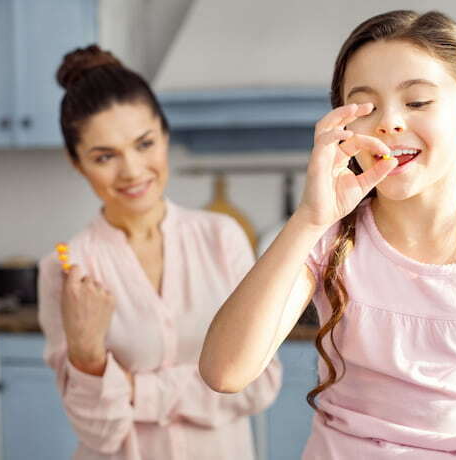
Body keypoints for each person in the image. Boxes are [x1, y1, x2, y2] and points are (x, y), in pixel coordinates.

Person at [200, 10, 456, 459]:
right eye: (366, 107)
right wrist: (310, 216)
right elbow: (224, 373)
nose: (389, 122)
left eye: (417, 102)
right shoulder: (325, 240)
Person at [38, 45, 281, 460]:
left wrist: (133, 389)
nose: (132, 170)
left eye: (144, 143)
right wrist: (86, 354)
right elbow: (100, 433)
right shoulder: (67, 269)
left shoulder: (222, 238)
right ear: (76, 162)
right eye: (104, 156)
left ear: (165, 135)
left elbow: (259, 385)